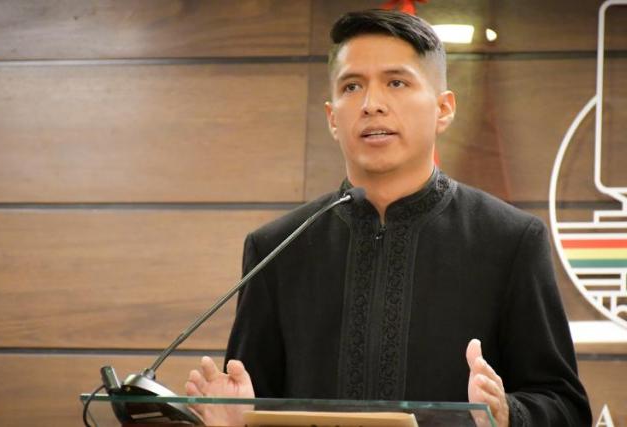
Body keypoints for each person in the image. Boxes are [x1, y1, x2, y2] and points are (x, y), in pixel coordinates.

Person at [185, 9, 592, 427]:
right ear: (332, 118)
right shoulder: (277, 248)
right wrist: (234, 421)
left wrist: (508, 414)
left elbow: (565, 406)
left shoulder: (510, 240)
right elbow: (252, 403)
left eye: (396, 82)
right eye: (352, 86)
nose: (371, 104)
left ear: (443, 109)